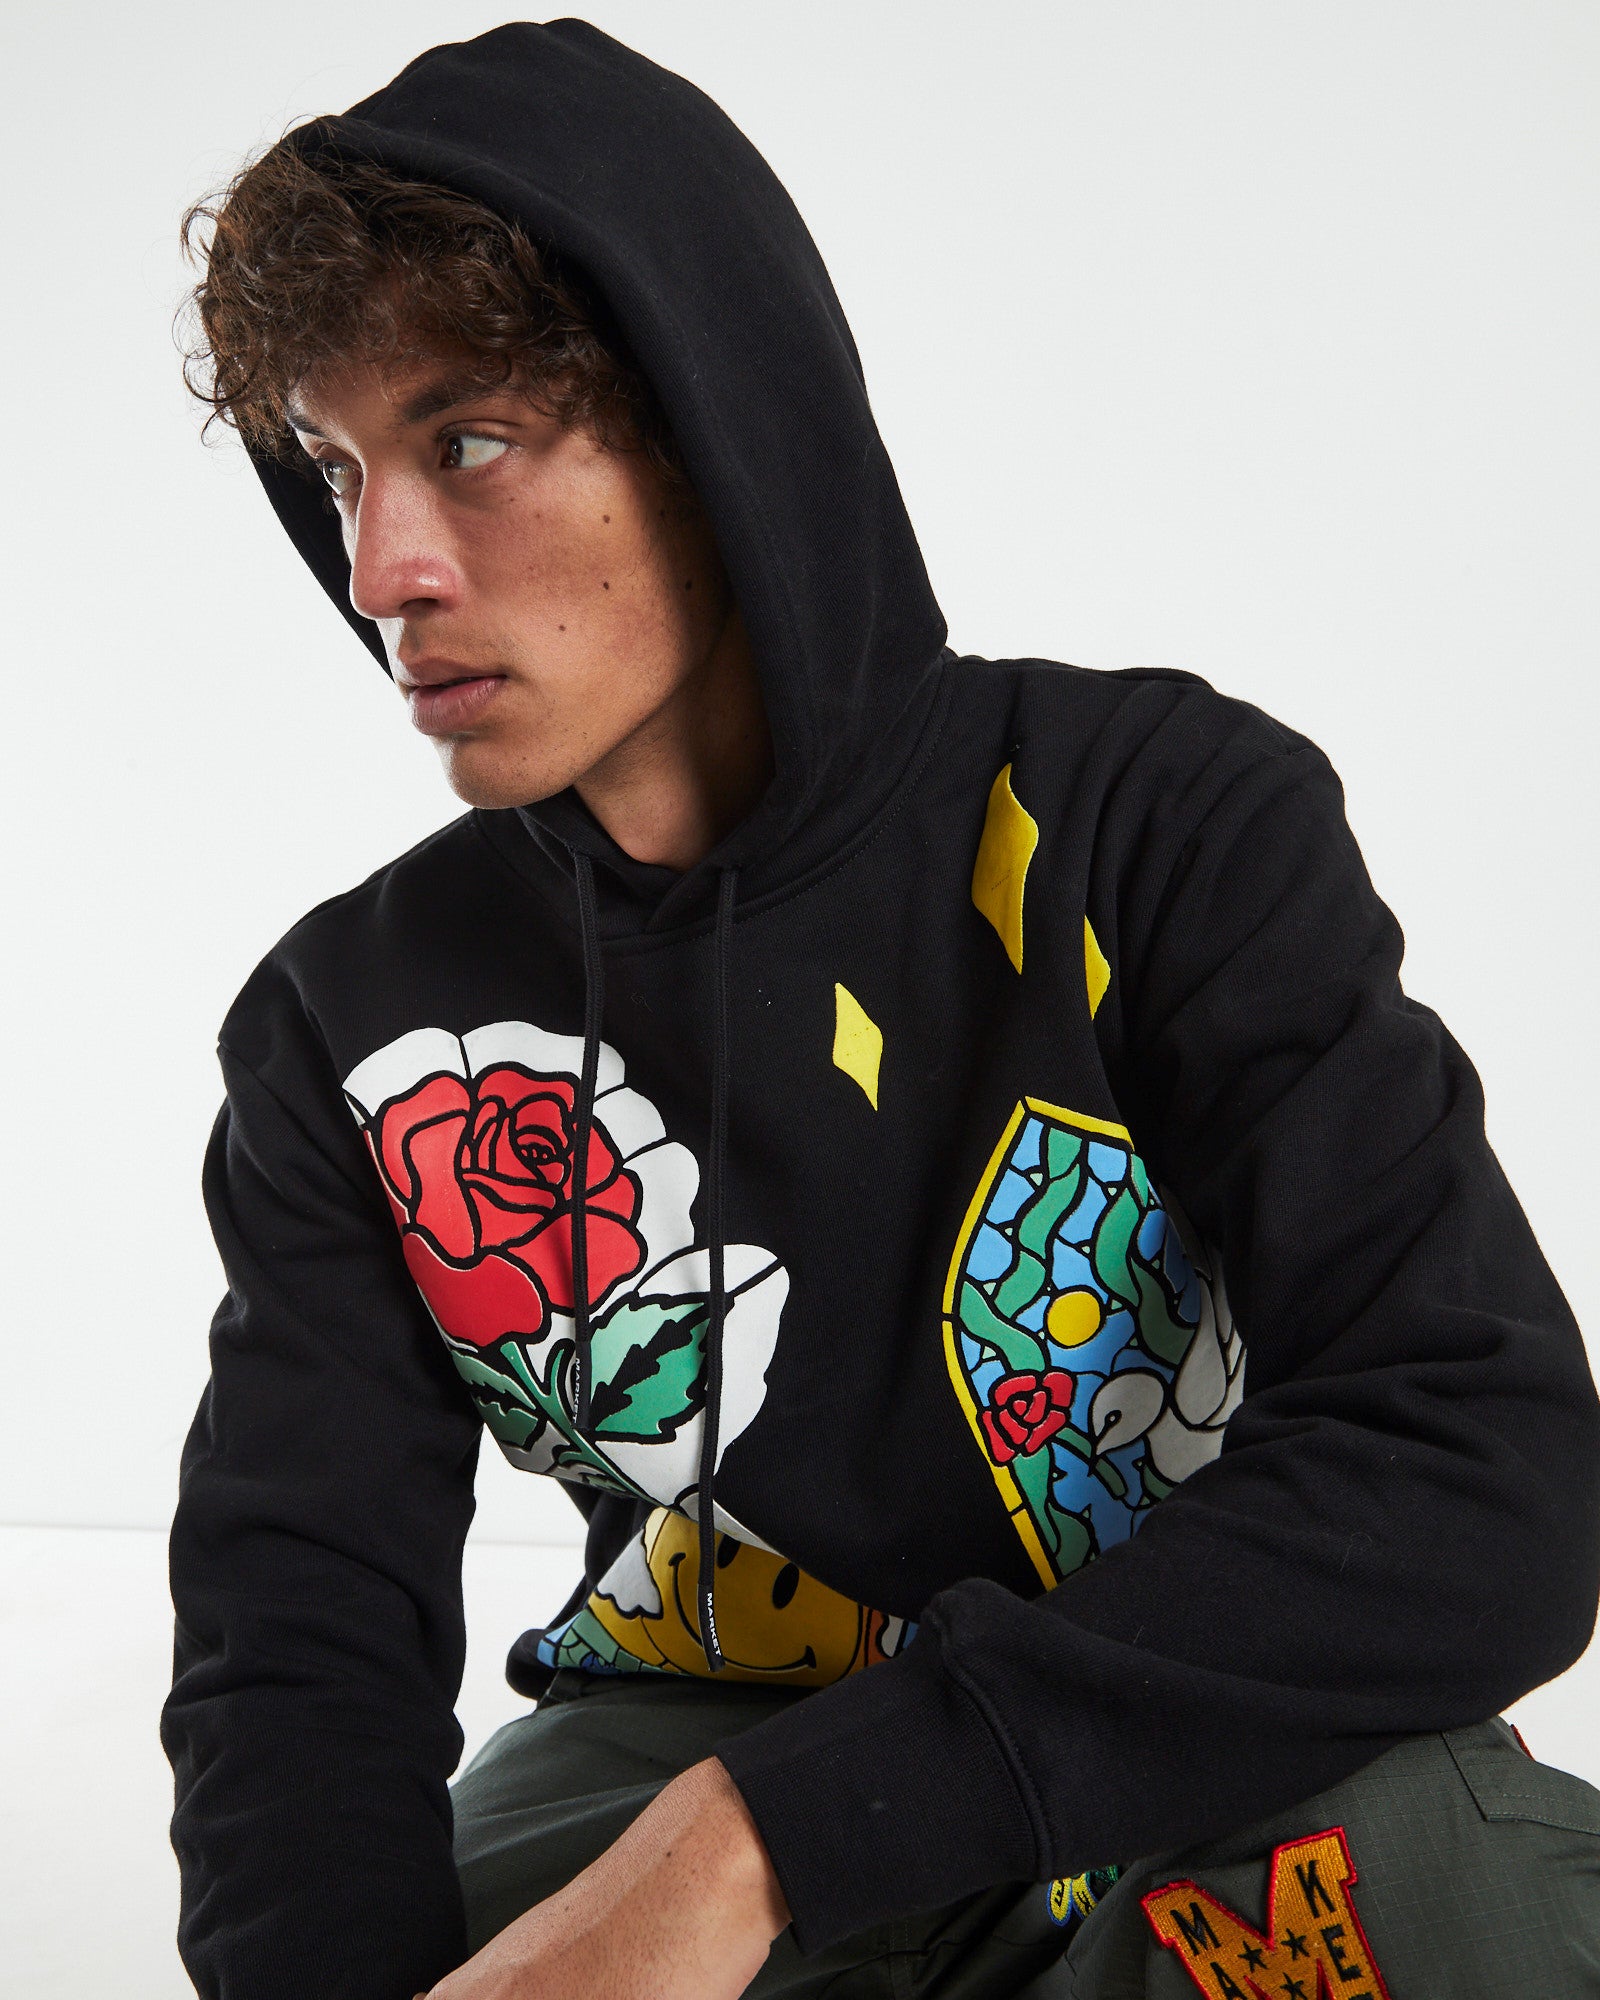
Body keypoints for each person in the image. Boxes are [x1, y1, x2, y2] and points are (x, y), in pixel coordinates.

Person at [162, 21, 1600, 2000]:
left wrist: (757, 1844)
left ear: (711, 421)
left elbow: (1482, 1476)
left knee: (1470, 1908)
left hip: (1185, 1704)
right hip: (676, 1724)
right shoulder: (354, 1022)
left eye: (466, 444)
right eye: (335, 470)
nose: (379, 568)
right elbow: (296, 1634)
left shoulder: (1154, 821)